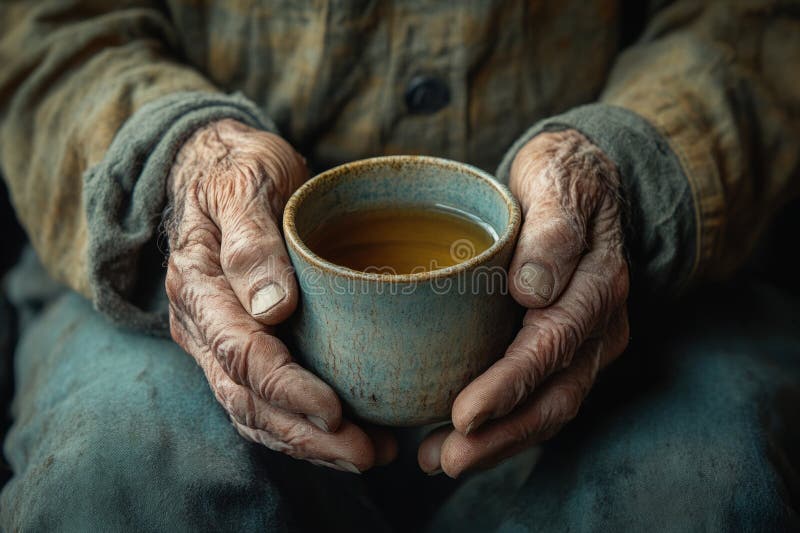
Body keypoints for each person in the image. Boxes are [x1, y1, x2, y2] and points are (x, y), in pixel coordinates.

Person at [1, 0, 798, 530]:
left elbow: (752, 23)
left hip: (611, 268)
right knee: (117, 475)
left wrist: (622, 169)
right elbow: (47, 32)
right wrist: (181, 161)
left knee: (703, 485)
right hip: (188, 251)